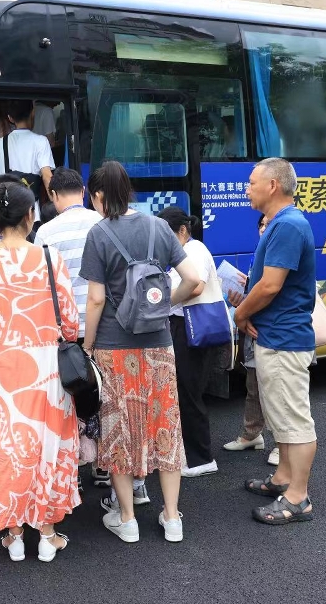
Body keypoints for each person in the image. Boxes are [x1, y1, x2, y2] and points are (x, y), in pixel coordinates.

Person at [80, 160, 206, 544]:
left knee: (119, 431)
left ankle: (128, 520)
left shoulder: (98, 234)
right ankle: (172, 517)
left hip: (113, 348)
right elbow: (194, 280)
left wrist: (88, 344)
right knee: (165, 425)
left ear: (99, 195)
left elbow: (96, 298)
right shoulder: (159, 227)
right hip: (159, 346)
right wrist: (164, 304)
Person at [0, 181, 81, 562]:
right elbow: (70, 321)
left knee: (8, 446)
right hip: (46, 367)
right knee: (48, 445)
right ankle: (47, 534)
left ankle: (14, 535)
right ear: (31, 215)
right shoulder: (49, 258)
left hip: (1, 368)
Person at [234, 157, 318, 526]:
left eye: (252, 182)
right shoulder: (283, 224)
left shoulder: (287, 225)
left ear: (273, 186)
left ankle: (298, 498)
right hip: (276, 335)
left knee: (294, 420)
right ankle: (283, 478)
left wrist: (240, 314)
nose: (246, 189)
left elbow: (270, 285)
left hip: (284, 338)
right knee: (281, 415)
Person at [33, 167, 105, 484]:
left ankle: (72, 469)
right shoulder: (101, 223)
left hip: (65, 330)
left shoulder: (45, 233)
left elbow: (43, 286)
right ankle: (105, 466)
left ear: (53, 195)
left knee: (71, 398)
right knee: (104, 395)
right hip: (102, 325)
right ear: (84, 191)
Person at [158, 206, 225, 479]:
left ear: (183, 230)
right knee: (184, 391)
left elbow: (195, 286)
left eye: (167, 236)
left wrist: (163, 301)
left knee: (189, 392)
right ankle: (191, 453)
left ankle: (201, 459)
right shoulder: (184, 251)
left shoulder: (194, 250)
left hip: (191, 327)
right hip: (183, 326)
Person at [223, 213, 279, 467]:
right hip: (255, 330)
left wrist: (243, 310)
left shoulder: (281, 256)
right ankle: (252, 434)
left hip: (272, 333)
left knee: (276, 391)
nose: (263, 229)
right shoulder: (259, 255)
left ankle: (282, 444)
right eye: (261, 225)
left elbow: (273, 294)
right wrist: (242, 300)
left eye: (268, 225)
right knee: (253, 386)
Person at [0, 100, 54, 219]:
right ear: (33, 112)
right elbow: (47, 176)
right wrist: (56, 208)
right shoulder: (41, 142)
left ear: (10, 117)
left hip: (4, 214)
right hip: (30, 215)